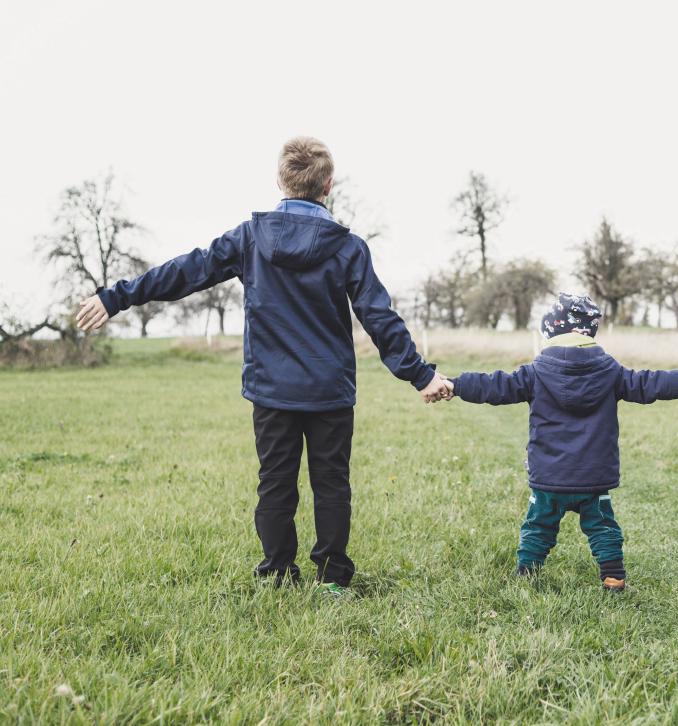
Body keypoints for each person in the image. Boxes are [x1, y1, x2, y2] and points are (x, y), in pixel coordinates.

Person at [74, 137, 452, 596]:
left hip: (272, 391)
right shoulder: (348, 247)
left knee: (275, 484)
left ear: (280, 180)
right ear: (328, 185)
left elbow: (185, 271)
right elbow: (379, 316)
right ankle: (332, 578)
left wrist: (116, 297)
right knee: (331, 483)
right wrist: (420, 374)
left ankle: (276, 572)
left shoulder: (251, 239)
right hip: (329, 390)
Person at [438, 293, 678, 591]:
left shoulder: (536, 372)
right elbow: (646, 383)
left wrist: (456, 384)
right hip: (593, 476)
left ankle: (526, 575)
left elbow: (495, 385)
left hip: (549, 477)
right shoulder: (611, 371)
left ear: (552, 331)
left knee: (538, 526)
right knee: (603, 528)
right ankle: (614, 579)